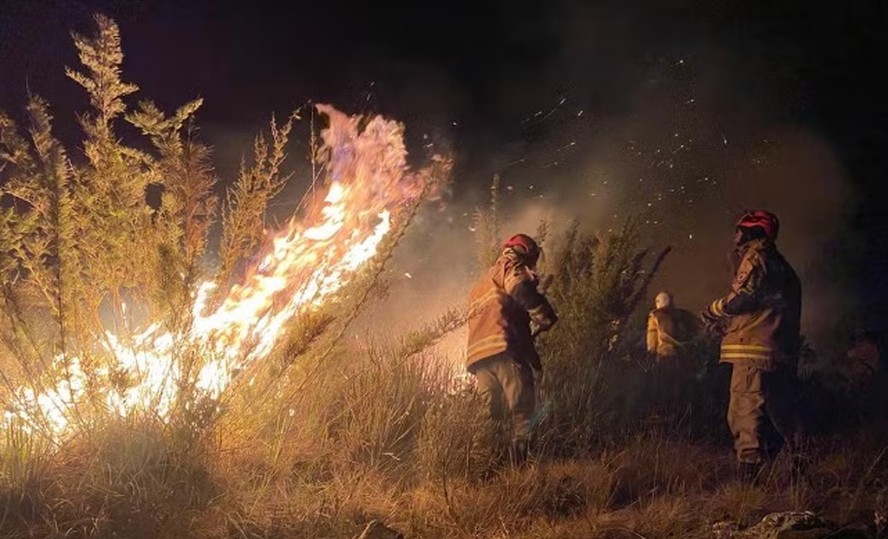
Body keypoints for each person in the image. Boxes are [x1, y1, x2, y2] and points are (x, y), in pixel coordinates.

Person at [700, 210, 803, 480]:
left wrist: (715, 310)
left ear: (753, 231)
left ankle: (749, 483)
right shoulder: (782, 265)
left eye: (740, 229)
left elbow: (745, 298)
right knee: (780, 414)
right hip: (778, 351)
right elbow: (766, 307)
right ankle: (799, 470)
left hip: (753, 350)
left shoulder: (756, 257)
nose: (735, 235)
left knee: (744, 411)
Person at [466, 233, 558, 466]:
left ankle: (485, 470)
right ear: (525, 253)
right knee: (522, 410)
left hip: (479, 356)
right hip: (503, 349)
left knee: (490, 416)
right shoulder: (512, 267)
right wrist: (544, 314)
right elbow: (521, 292)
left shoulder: (482, 281)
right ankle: (520, 471)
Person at [645, 291, 698, 417]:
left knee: (663, 388)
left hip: (664, 356)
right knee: (678, 388)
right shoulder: (683, 315)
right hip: (682, 357)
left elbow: (653, 340)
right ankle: (680, 415)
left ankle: (664, 415)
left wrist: (650, 354)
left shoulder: (656, 316)